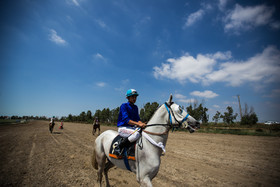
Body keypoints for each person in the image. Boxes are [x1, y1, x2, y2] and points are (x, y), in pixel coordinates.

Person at [114, 89, 146, 156]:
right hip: (123, 128)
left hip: (132, 128)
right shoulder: (124, 106)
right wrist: (138, 124)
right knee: (136, 134)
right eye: (132, 97)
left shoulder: (135, 107)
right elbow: (127, 120)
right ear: (128, 98)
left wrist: (142, 123)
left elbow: (138, 119)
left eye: (135, 97)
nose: (134, 98)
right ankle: (119, 146)